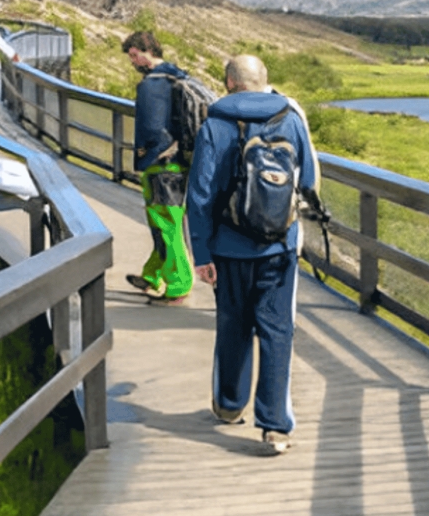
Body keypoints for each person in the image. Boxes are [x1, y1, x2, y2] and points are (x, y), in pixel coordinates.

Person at [186, 54, 318, 456]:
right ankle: (275, 427)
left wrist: (202, 253)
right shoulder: (291, 119)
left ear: (228, 82)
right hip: (278, 247)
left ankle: (229, 405)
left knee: (233, 325)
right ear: (266, 81)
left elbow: (200, 195)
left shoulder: (216, 125)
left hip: (228, 250)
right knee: (277, 332)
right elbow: (308, 180)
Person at [122, 30, 197, 306]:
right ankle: (153, 275)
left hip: (162, 166)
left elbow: (152, 129)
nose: (132, 62)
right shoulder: (178, 76)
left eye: (133, 55)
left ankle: (178, 285)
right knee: (163, 224)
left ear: (144, 51)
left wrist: (145, 156)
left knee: (167, 225)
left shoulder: (151, 84)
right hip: (180, 164)